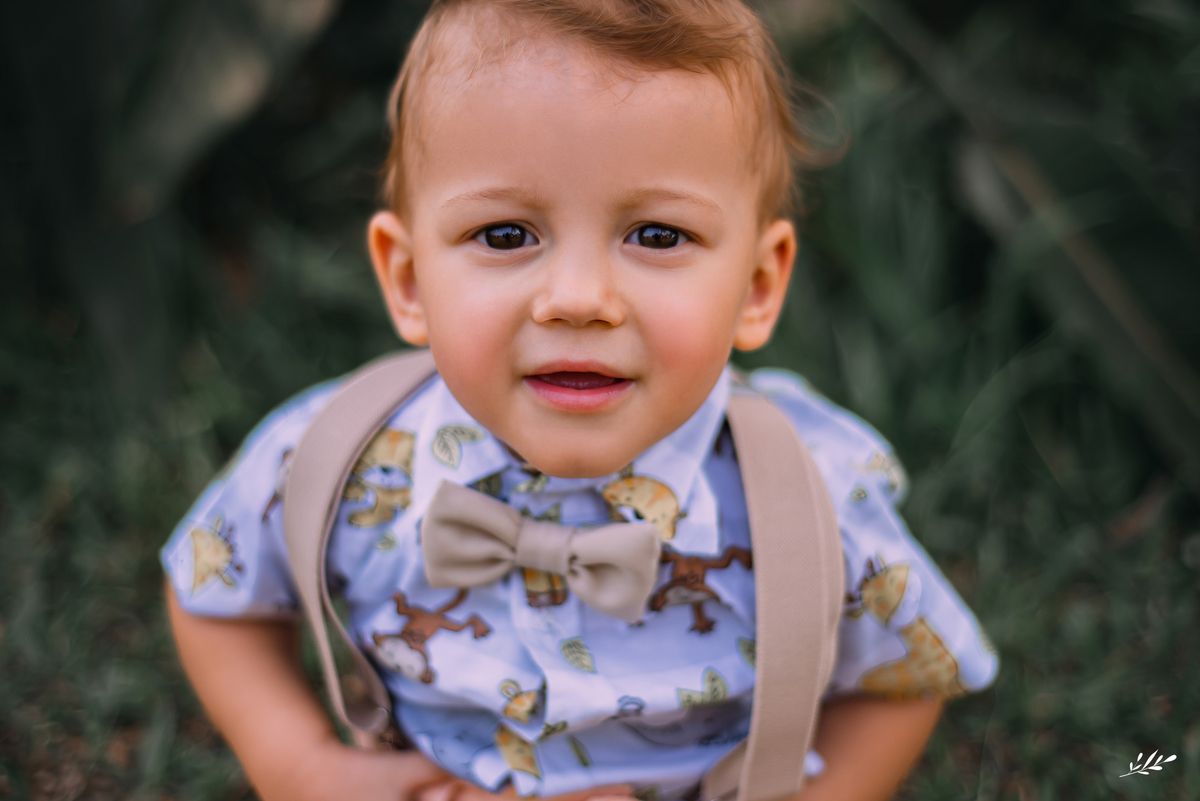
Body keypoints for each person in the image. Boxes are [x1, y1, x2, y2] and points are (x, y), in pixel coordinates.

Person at [162, 1, 999, 799]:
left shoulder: (810, 499)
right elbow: (213, 596)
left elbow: (903, 678)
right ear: (410, 279)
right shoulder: (330, 459)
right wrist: (300, 763)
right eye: (504, 234)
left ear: (756, 284)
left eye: (658, 235)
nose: (577, 297)